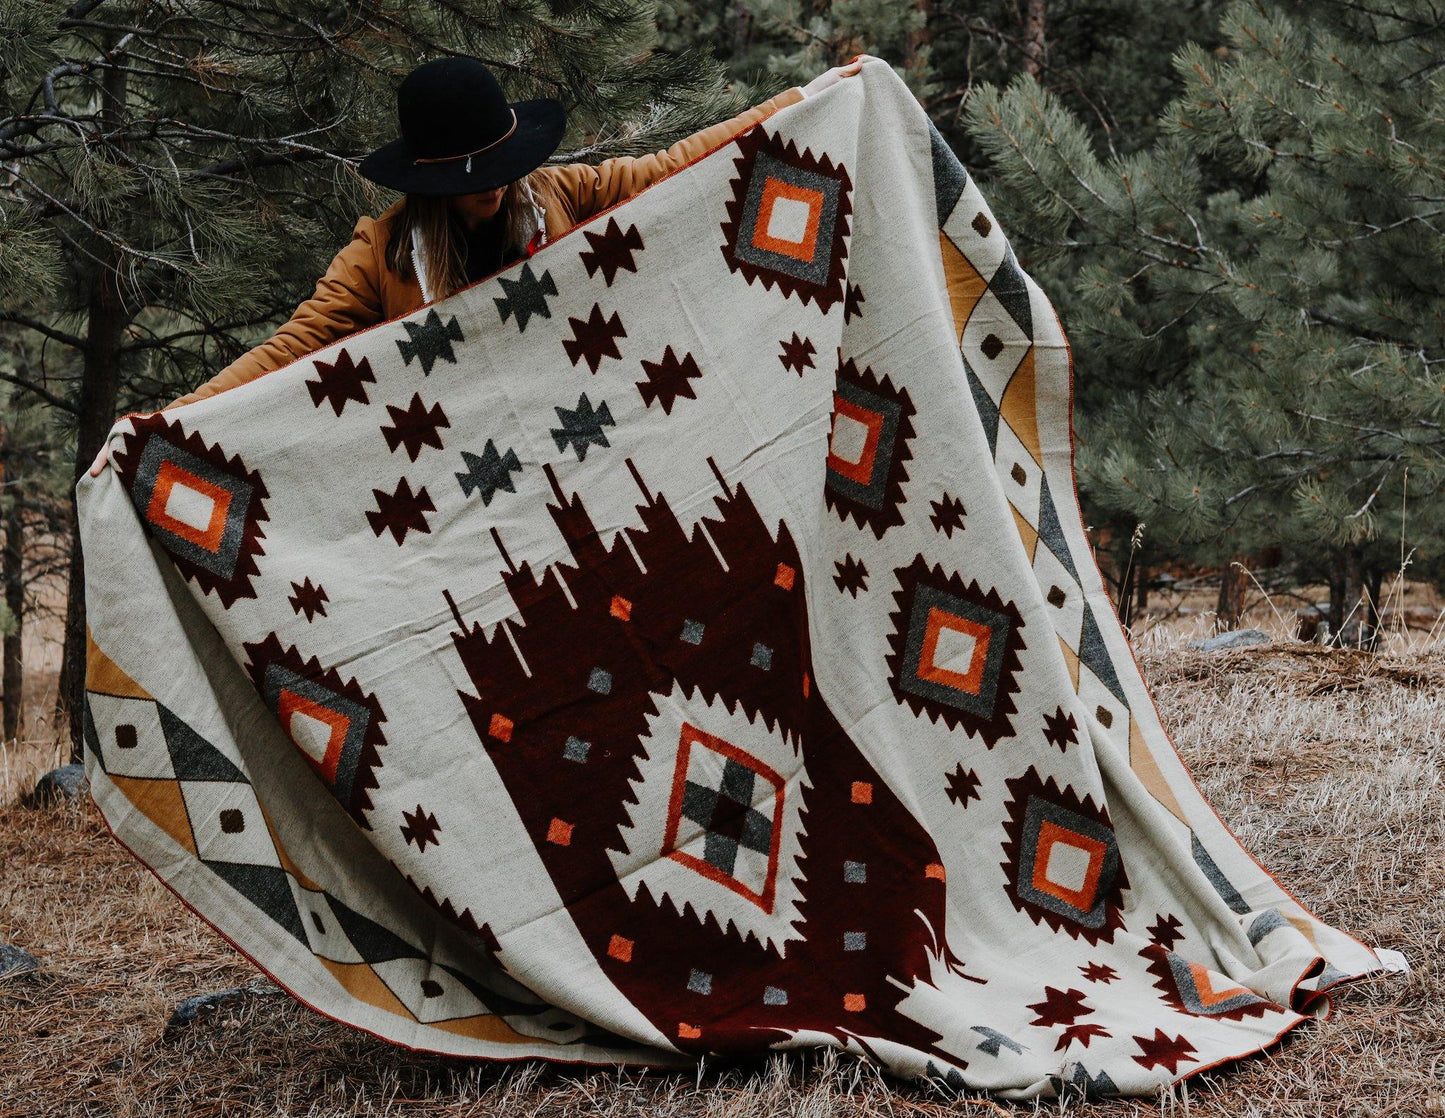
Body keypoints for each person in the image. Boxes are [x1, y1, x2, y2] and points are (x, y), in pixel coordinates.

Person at [89, 55, 864, 477]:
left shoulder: (561, 192)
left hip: (582, 435)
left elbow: (676, 166)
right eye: (468, 178)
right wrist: (170, 421)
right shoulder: (381, 253)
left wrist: (807, 100)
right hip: (467, 462)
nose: (490, 188)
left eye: (497, 167)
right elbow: (292, 347)